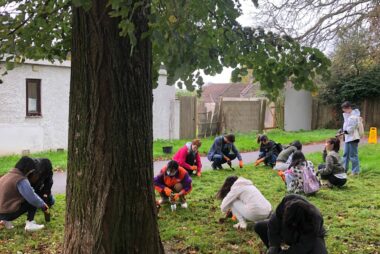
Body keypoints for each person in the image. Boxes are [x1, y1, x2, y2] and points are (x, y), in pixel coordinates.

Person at [254, 194, 327, 254]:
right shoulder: (285, 204)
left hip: (307, 238)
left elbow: (304, 245)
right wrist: (273, 246)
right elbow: (272, 225)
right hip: (287, 233)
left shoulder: (315, 220)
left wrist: (285, 253)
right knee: (259, 226)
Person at [0, 157, 50, 231]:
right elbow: (32, 197)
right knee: (34, 198)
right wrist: (44, 206)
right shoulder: (21, 179)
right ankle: (30, 223)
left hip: (1, 212)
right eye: (32, 170)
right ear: (28, 169)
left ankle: (4, 222)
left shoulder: (5, 176)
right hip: (8, 213)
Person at [341, 101, 361, 175]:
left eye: (345, 110)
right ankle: (344, 170)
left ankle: (355, 171)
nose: (344, 111)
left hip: (353, 137)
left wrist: (346, 131)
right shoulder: (347, 115)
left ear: (349, 108)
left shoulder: (354, 116)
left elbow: (352, 127)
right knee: (345, 154)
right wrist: (342, 130)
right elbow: (346, 125)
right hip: (347, 138)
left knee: (353, 155)